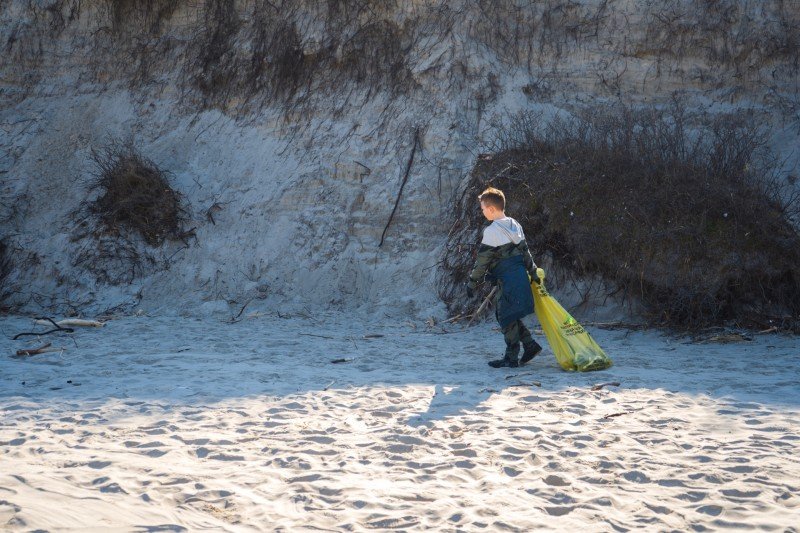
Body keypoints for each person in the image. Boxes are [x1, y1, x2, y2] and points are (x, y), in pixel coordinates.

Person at [466, 187, 543, 368]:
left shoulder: (492, 231)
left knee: (505, 316)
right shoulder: (515, 224)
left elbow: (482, 260)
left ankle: (511, 357)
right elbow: (526, 252)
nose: (482, 211)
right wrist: (533, 273)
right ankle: (530, 346)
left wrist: (472, 282)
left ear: (491, 209)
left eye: (483, 208)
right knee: (509, 315)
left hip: (508, 280)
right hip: (519, 277)